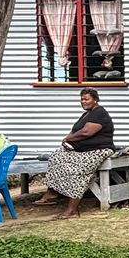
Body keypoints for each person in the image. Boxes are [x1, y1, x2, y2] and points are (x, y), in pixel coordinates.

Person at [33, 88, 114, 219]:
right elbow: (75, 130)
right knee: (57, 157)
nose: (83, 101)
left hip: (99, 150)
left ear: (95, 99)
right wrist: (67, 140)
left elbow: (87, 132)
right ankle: (52, 192)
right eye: (81, 99)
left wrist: (69, 139)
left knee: (78, 171)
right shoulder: (87, 114)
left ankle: (72, 210)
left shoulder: (100, 113)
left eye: (86, 99)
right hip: (83, 150)